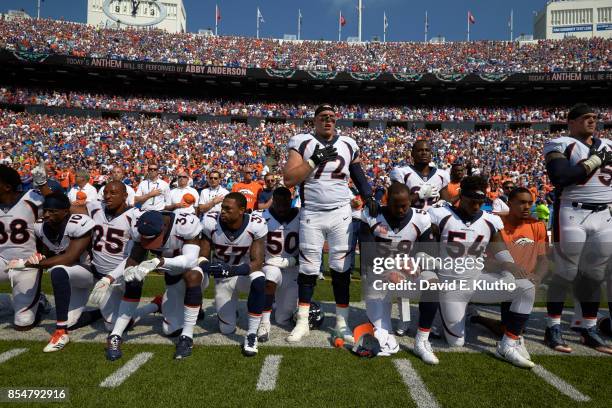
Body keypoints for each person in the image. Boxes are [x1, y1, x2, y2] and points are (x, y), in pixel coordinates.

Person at [283, 104, 377, 344]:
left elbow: (357, 173)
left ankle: (341, 323)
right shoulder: (302, 142)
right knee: (308, 268)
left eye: (332, 118)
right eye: (323, 117)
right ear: (314, 120)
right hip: (312, 212)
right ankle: (303, 322)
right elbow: (289, 179)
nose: (328, 121)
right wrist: (314, 160)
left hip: (340, 213)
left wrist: (368, 196)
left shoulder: (348, 143)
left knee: (341, 268)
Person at [429, 176, 537, 368]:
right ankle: (447, 311)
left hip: (477, 281)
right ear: (461, 196)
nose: (477, 207)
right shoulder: (439, 215)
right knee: (456, 343)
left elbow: (500, 249)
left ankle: (508, 344)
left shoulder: (490, 221)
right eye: (472, 202)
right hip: (450, 286)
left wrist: (510, 265)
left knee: (526, 287)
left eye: (480, 202)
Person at [543, 103, 612, 354]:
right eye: (585, 118)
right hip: (573, 212)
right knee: (565, 272)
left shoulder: (609, 146)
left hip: (605, 214)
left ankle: (588, 328)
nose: (592, 121)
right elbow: (561, 177)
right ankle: (553, 326)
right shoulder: (560, 143)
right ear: (570, 122)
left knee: (595, 274)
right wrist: (594, 161)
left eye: (594, 117)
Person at [359, 183, 439, 362]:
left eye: (405, 205)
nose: (401, 210)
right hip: (378, 274)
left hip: (406, 273)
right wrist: (389, 270)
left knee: (432, 282)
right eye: (396, 205)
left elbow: (430, 253)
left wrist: (415, 263)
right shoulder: (372, 215)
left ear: (411, 201)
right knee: (382, 334)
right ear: (387, 201)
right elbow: (367, 255)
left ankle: (422, 341)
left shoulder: (422, 218)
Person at [16, 192, 95, 352]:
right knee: (71, 321)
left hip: (85, 274)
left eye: (52, 211)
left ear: (66, 211)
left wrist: (29, 265)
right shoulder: (40, 226)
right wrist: (38, 257)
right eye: (45, 210)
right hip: (65, 276)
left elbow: (70, 258)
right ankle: (97, 312)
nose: (46, 215)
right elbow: (47, 253)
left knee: (57, 269)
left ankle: (61, 332)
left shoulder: (79, 223)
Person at [119, 209, 202, 360]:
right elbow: (134, 258)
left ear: (164, 227)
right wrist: (123, 274)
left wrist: (161, 261)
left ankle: (187, 337)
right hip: (172, 278)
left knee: (193, 274)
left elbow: (190, 260)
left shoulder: (185, 224)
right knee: (170, 330)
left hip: (196, 273)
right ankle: (157, 304)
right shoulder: (141, 224)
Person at [472, 187, 549, 338]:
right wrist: (506, 267)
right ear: (509, 203)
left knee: (514, 330)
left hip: (524, 281)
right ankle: (477, 317)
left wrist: (538, 277)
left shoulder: (538, 226)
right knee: (509, 331)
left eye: (530, 203)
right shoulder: (495, 225)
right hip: (497, 278)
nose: (527, 207)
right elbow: (480, 260)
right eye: (521, 202)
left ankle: (478, 317)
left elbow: (544, 259)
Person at [198, 192, 267, 356]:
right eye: (222, 207)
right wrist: (210, 267)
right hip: (223, 279)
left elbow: (257, 262)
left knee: (259, 279)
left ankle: (251, 334)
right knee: (226, 329)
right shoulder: (211, 222)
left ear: (242, 210)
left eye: (228, 209)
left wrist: (232, 269)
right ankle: (231, 312)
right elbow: (202, 256)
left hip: (243, 273)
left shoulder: (255, 224)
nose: (223, 211)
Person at [82, 181, 144, 361]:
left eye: (113, 193)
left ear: (125, 196)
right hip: (101, 274)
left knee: (135, 277)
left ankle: (116, 336)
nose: (107, 196)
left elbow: (138, 253)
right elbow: (67, 208)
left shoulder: (134, 216)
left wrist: (111, 277)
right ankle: (156, 305)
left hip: (125, 274)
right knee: (111, 324)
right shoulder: (94, 207)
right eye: (105, 192)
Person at [0, 163, 51, 330]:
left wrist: (43, 186)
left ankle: (40, 302)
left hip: (27, 262)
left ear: (7, 187)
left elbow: (59, 206)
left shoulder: (32, 199)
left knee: (23, 323)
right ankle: (5, 301)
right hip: (1, 260)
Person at [258, 187, 300, 342]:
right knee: (270, 275)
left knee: (282, 319)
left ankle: (276, 303)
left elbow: (311, 250)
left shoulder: (301, 216)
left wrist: (292, 260)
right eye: (278, 204)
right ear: (272, 202)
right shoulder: (263, 217)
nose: (282, 208)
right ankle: (264, 322)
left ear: (291, 201)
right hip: (271, 264)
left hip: (293, 268)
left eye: (285, 204)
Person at [390, 140, 451, 210]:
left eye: (427, 150)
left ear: (431, 153)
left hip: (434, 219)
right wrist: (419, 195)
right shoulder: (402, 173)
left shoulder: (442, 175)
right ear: (412, 153)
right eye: (420, 150)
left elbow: (446, 202)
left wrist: (443, 203)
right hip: (412, 219)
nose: (424, 153)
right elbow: (396, 202)